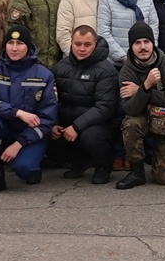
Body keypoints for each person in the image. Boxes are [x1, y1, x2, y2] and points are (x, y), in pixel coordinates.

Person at [0, 25, 59, 195]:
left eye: (20, 43)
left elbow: (47, 119)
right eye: (10, 43)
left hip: (31, 134)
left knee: (25, 169)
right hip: (3, 128)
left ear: (28, 47)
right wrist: (17, 112)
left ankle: (33, 167)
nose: (14, 48)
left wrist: (18, 144)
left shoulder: (44, 75)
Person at [117, 22, 165, 188]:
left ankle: (161, 159)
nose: (143, 47)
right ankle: (136, 172)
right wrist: (146, 86)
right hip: (140, 118)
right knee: (130, 124)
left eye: (146, 42)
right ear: (131, 46)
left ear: (153, 43)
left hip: (164, 120)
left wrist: (140, 90)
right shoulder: (127, 70)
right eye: (137, 43)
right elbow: (129, 108)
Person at [51, 26, 119, 184]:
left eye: (87, 45)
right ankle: (79, 161)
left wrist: (76, 127)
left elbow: (105, 107)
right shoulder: (60, 67)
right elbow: (53, 100)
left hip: (101, 125)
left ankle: (104, 165)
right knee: (48, 132)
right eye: (78, 44)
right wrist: (53, 124)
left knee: (90, 137)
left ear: (95, 44)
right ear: (72, 43)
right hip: (70, 121)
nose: (81, 49)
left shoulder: (106, 70)